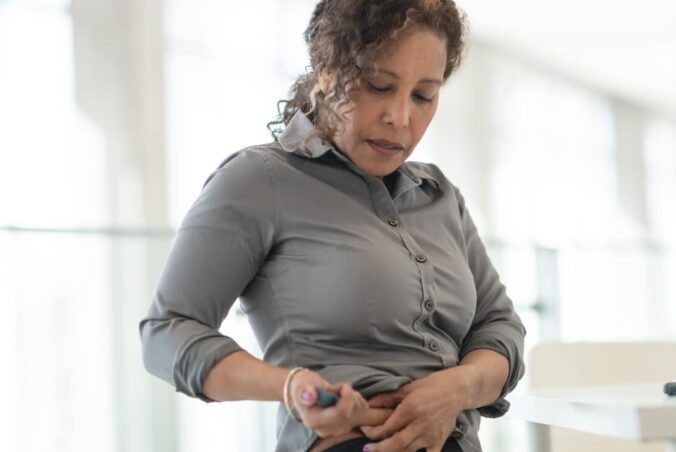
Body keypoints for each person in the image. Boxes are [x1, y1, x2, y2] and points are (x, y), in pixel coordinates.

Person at [139, 1, 525, 451]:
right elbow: (167, 331)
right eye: (379, 86)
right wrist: (290, 387)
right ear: (326, 68)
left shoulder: (439, 196)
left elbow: (500, 328)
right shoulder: (259, 180)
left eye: (423, 96)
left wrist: (455, 390)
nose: (400, 117)